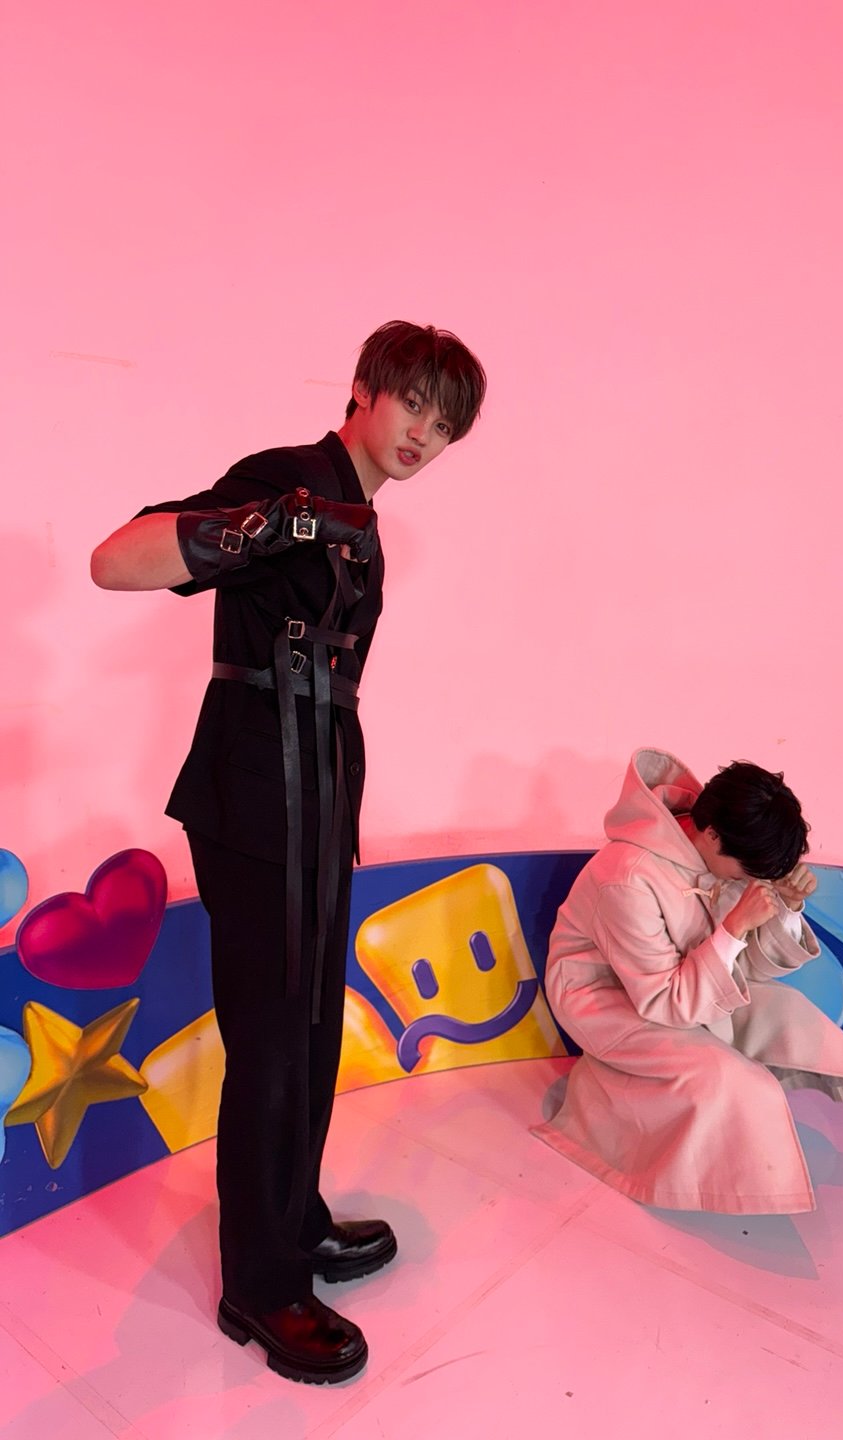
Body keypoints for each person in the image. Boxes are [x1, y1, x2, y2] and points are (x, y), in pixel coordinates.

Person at [91, 321, 486, 1385]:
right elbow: (116, 560)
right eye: (413, 403)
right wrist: (281, 519)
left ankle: (294, 1218)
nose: (424, 433)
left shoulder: (367, 521)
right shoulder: (289, 477)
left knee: (311, 1032)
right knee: (270, 1044)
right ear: (362, 389)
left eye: (445, 423)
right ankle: (259, 1286)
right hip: (254, 796)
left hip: (318, 798)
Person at [534, 748, 843, 1214]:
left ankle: (734, 1134)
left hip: (679, 987)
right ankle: (678, 1164)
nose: (750, 878)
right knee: (735, 1083)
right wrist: (734, 926)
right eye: (748, 869)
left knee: (790, 1014)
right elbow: (664, 1001)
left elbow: (744, 969)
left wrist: (785, 906)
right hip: (605, 999)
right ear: (711, 834)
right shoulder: (627, 877)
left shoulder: (713, 851)